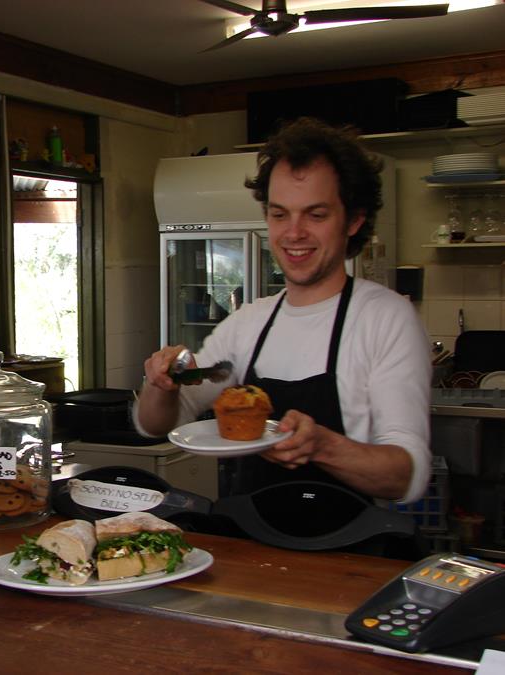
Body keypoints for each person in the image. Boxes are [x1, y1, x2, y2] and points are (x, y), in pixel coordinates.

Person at [136, 117, 431, 510]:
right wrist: (160, 384)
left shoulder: (385, 317)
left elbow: (406, 475)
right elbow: (162, 423)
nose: (293, 233)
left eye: (316, 214)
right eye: (279, 214)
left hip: (348, 552)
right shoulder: (249, 322)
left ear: (354, 220)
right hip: (251, 542)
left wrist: (322, 446)